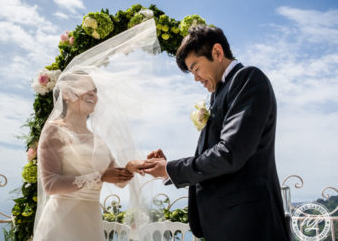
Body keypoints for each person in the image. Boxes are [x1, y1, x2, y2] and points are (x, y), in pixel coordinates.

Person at [144, 25, 291, 241]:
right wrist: (168, 169)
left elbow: (229, 153)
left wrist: (170, 169)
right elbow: (211, 155)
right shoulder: (217, 94)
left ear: (217, 52)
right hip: (225, 224)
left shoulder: (248, 79)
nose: (196, 78)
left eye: (196, 68)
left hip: (249, 225)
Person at [33, 19, 160, 241]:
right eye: (85, 89)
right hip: (61, 226)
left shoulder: (97, 139)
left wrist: (133, 166)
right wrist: (100, 176)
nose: (93, 94)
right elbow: (51, 185)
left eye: (95, 90)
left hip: (90, 225)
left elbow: (118, 179)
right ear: (66, 94)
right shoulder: (54, 131)